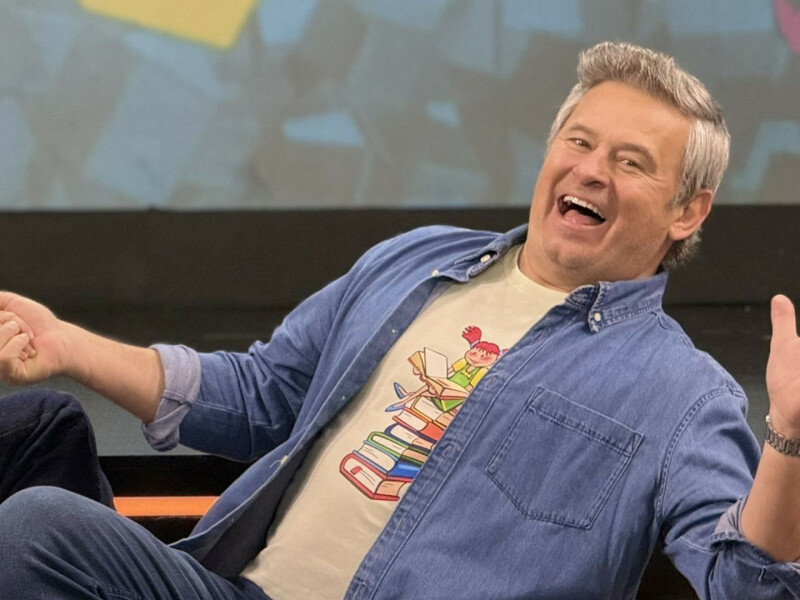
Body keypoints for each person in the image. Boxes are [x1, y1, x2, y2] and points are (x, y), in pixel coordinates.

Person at [0, 41, 799, 599]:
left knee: (36, 517)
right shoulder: (417, 260)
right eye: (579, 141)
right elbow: (260, 394)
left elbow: (746, 585)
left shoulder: (683, 392)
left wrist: (790, 441)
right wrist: (69, 346)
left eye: (630, 162)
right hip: (234, 589)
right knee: (39, 493)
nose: (591, 169)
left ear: (688, 211)